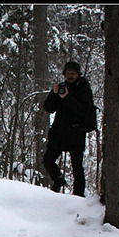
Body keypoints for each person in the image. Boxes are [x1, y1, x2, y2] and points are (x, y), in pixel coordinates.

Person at [42, 61, 95, 196]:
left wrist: (67, 97)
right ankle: (58, 180)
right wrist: (54, 94)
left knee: (77, 168)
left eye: (73, 73)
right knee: (48, 160)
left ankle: (78, 197)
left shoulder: (84, 88)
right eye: (68, 73)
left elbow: (83, 110)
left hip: (76, 132)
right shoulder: (62, 87)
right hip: (59, 132)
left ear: (78, 74)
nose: (70, 76)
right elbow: (48, 108)